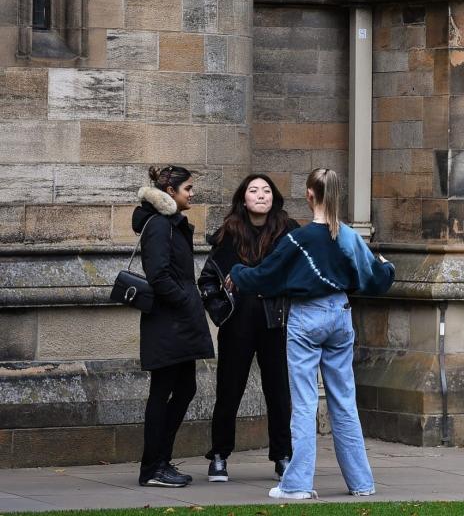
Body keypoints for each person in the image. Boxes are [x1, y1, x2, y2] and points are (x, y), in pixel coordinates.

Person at [229, 168, 395, 500]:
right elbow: (377, 277)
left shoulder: (298, 238)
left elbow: (264, 276)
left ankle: (297, 484)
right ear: (337, 194)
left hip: (306, 318)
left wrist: (236, 272)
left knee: (304, 403)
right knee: (345, 402)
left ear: (309, 195)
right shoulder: (348, 236)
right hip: (341, 315)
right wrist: (387, 267)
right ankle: (362, 483)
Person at [197, 174, 296, 483]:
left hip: (274, 322)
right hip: (237, 324)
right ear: (243, 198)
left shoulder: (288, 232)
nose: (261, 195)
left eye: (266, 190)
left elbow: (301, 273)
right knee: (229, 390)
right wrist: (222, 312)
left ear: (274, 197)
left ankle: (283, 456)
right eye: (254, 190)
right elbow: (207, 281)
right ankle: (219, 456)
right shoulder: (229, 233)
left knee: (279, 392)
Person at [133, 165, 215, 488]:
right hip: (168, 324)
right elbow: (159, 275)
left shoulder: (170, 224)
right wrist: (186, 300)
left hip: (177, 323)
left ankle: (159, 462)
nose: (192, 194)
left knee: (184, 389)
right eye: (188, 189)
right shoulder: (158, 226)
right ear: (171, 193)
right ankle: (153, 467)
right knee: (163, 392)